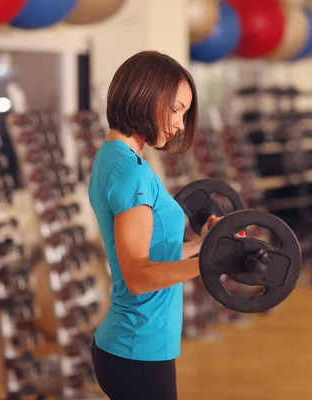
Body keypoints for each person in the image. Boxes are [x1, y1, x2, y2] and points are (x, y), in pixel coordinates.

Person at [87, 50, 220, 400]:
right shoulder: (130, 172)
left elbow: (152, 253)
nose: (179, 124)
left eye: (184, 113)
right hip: (137, 347)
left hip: (137, 345)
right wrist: (209, 265)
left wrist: (203, 245)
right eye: (176, 109)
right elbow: (139, 276)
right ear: (145, 95)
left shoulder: (115, 157)